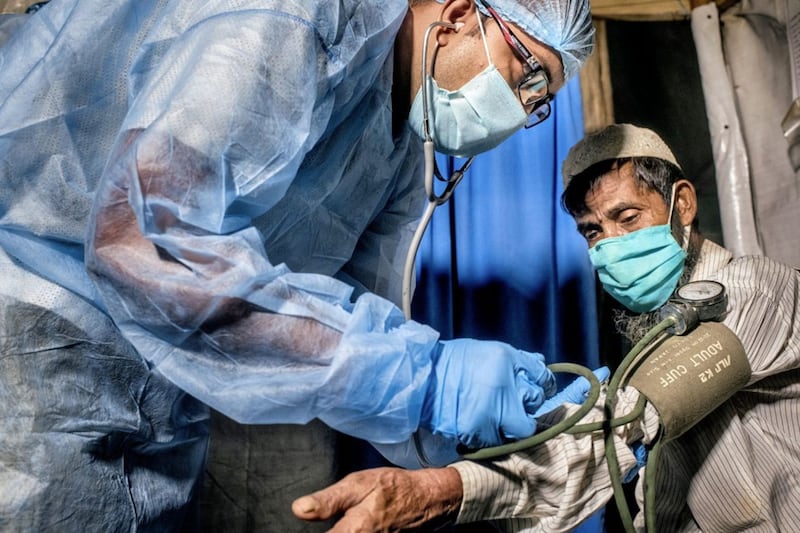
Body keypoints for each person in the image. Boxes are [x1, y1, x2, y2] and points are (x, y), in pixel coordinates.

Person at [0, 0, 595, 530]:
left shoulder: (397, 160)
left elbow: (358, 328)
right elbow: (143, 242)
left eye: (540, 102)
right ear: (462, 14)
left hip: (166, 395)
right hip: (40, 343)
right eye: (528, 75)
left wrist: (477, 442)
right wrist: (433, 380)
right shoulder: (295, 17)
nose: (522, 111)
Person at [293, 123, 800, 532]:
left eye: (628, 217)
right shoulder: (659, 325)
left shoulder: (754, 294)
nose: (612, 244)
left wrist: (442, 491)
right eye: (593, 231)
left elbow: (629, 418)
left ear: (681, 205)